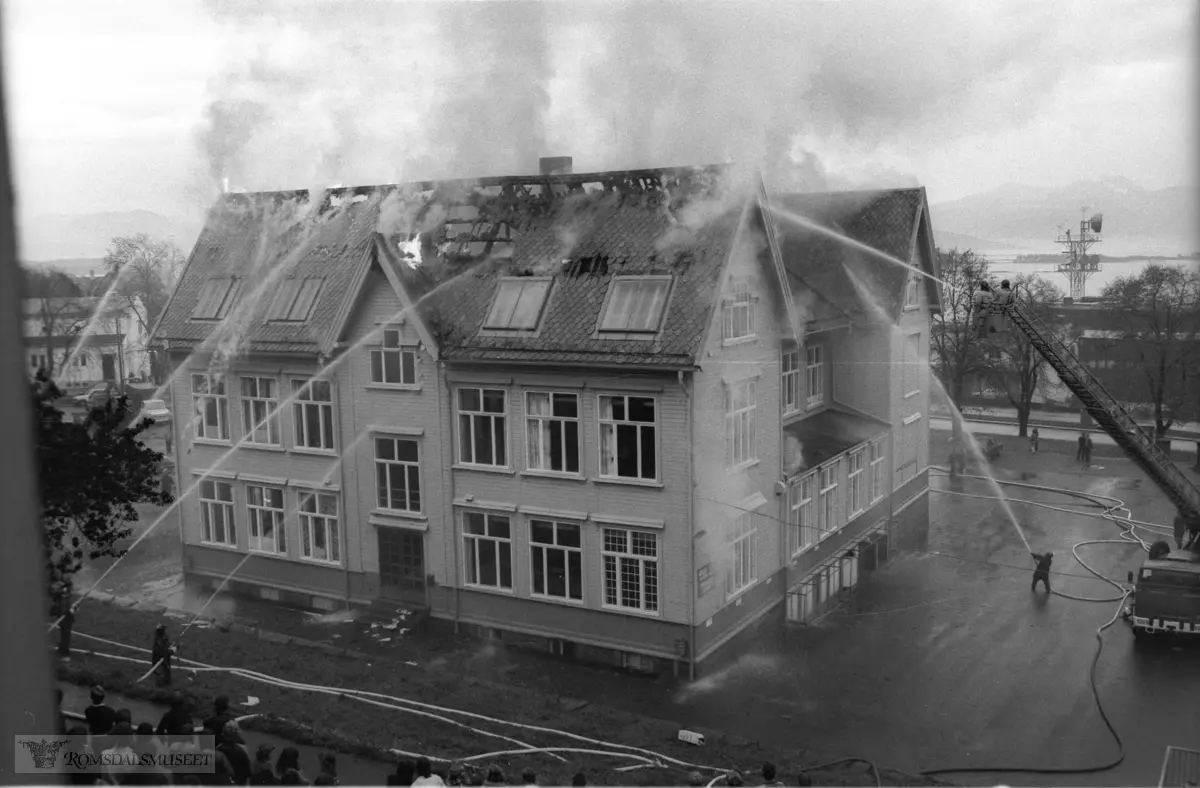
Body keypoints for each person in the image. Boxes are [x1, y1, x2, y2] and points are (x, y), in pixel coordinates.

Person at [217, 721, 253, 785]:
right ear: (237, 733)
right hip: (239, 781)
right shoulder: (242, 748)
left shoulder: (218, 748)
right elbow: (249, 767)